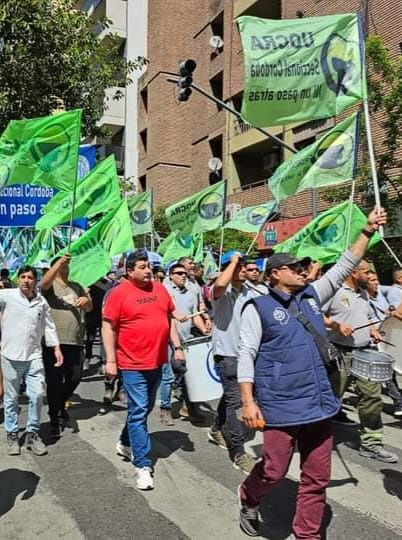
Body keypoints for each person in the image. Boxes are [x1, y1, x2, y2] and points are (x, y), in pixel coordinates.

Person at [237, 207, 387, 538]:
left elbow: (346, 264)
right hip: (280, 405)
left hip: (319, 402)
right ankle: (248, 497)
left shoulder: (312, 295)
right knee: (274, 470)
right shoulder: (257, 307)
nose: (303, 271)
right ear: (275, 274)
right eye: (295, 267)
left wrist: (366, 230)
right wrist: (248, 402)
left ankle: (307, 533)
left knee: (316, 477)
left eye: (305, 267)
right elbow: (245, 354)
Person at [103, 250, 184, 491]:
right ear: (129, 271)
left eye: (149, 265)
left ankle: (125, 441)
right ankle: (142, 465)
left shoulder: (159, 289)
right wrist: (110, 360)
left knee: (145, 408)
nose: (148, 270)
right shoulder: (119, 294)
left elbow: (168, 319)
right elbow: (108, 327)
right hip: (131, 364)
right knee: (138, 412)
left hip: (157, 361)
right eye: (141, 266)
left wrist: (177, 347)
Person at [324, 261, 398, 462]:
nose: (370, 275)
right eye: (366, 272)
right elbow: (315, 315)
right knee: (331, 397)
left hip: (364, 353)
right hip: (339, 353)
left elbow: (366, 318)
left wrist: (372, 330)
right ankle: (311, 437)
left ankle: (371, 443)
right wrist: (337, 326)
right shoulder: (334, 291)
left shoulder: (364, 293)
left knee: (372, 397)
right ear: (353, 273)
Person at [1, 265, 63, 456]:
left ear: (35, 281)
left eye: (30, 277)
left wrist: (56, 348)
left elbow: (49, 326)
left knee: (36, 395)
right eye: (22, 277)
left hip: (34, 356)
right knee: (11, 398)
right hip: (10, 356)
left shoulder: (41, 302)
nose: (26, 280)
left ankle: (32, 434)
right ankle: (12, 434)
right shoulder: (7, 296)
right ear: (17, 279)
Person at [208, 251, 260, 475]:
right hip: (228, 354)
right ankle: (238, 453)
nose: (242, 270)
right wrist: (233, 262)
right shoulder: (220, 291)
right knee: (235, 403)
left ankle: (215, 428)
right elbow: (220, 284)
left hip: (249, 354)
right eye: (237, 267)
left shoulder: (254, 290)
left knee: (231, 397)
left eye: (243, 266)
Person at [40, 254, 93, 436]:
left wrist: (86, 302)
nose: (65, 268)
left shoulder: (76, 286)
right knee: (54, 381)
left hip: (75, 341)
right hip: (53, 342)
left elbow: (89, 307)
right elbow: (44, 284)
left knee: (75, 377)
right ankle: (54, 417)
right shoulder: (49, 287)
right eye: (61, 266)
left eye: (66, 266)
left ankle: (60, 403)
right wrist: (58, 263)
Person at [162, 262, 209, 425]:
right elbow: (165, 315)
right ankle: (166, 408)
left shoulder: (191, 292)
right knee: (169, 376)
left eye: (185, 273)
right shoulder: (164, 291)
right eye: (179, 273)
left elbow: (195, 315)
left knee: (190, 375)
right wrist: (173, 315)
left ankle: (190, 407)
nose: (183, 275)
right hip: (167, 341)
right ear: (171, 275)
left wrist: (204, 330)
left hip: (187, 340)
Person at [366, 271, 402, 418]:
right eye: (372, 280)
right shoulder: (363, 299)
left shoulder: (380, 293)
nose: (376, 283)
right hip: (375, 339)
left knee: (393, 369)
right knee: (388, 372)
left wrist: (392, 313)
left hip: (389, 333)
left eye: (377, 279)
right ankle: (398, 402)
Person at [177, 257, 212, 332]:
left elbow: (201, 304)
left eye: (193, 263)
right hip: (179, 324)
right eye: (190, 263)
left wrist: (207, 318)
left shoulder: (194, 282)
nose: (193, 265)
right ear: (181, 265)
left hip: (195, 324)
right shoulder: (170, 282)